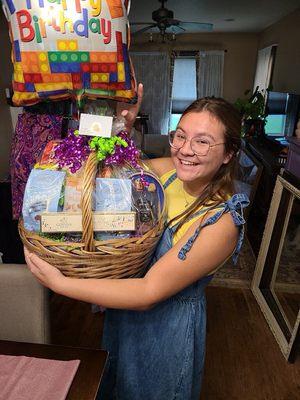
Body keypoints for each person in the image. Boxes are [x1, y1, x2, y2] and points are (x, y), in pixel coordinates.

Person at [25, 85, 249, 400]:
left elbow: (148, 293)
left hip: (165, 332)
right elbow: (117, 173)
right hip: (124, 311)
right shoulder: (172, 172)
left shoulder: (221, 223)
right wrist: (121, 129)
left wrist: (59, 283)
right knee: (118, 387)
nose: (185, 150)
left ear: (228, 153)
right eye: (180, 136)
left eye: (203, 141)